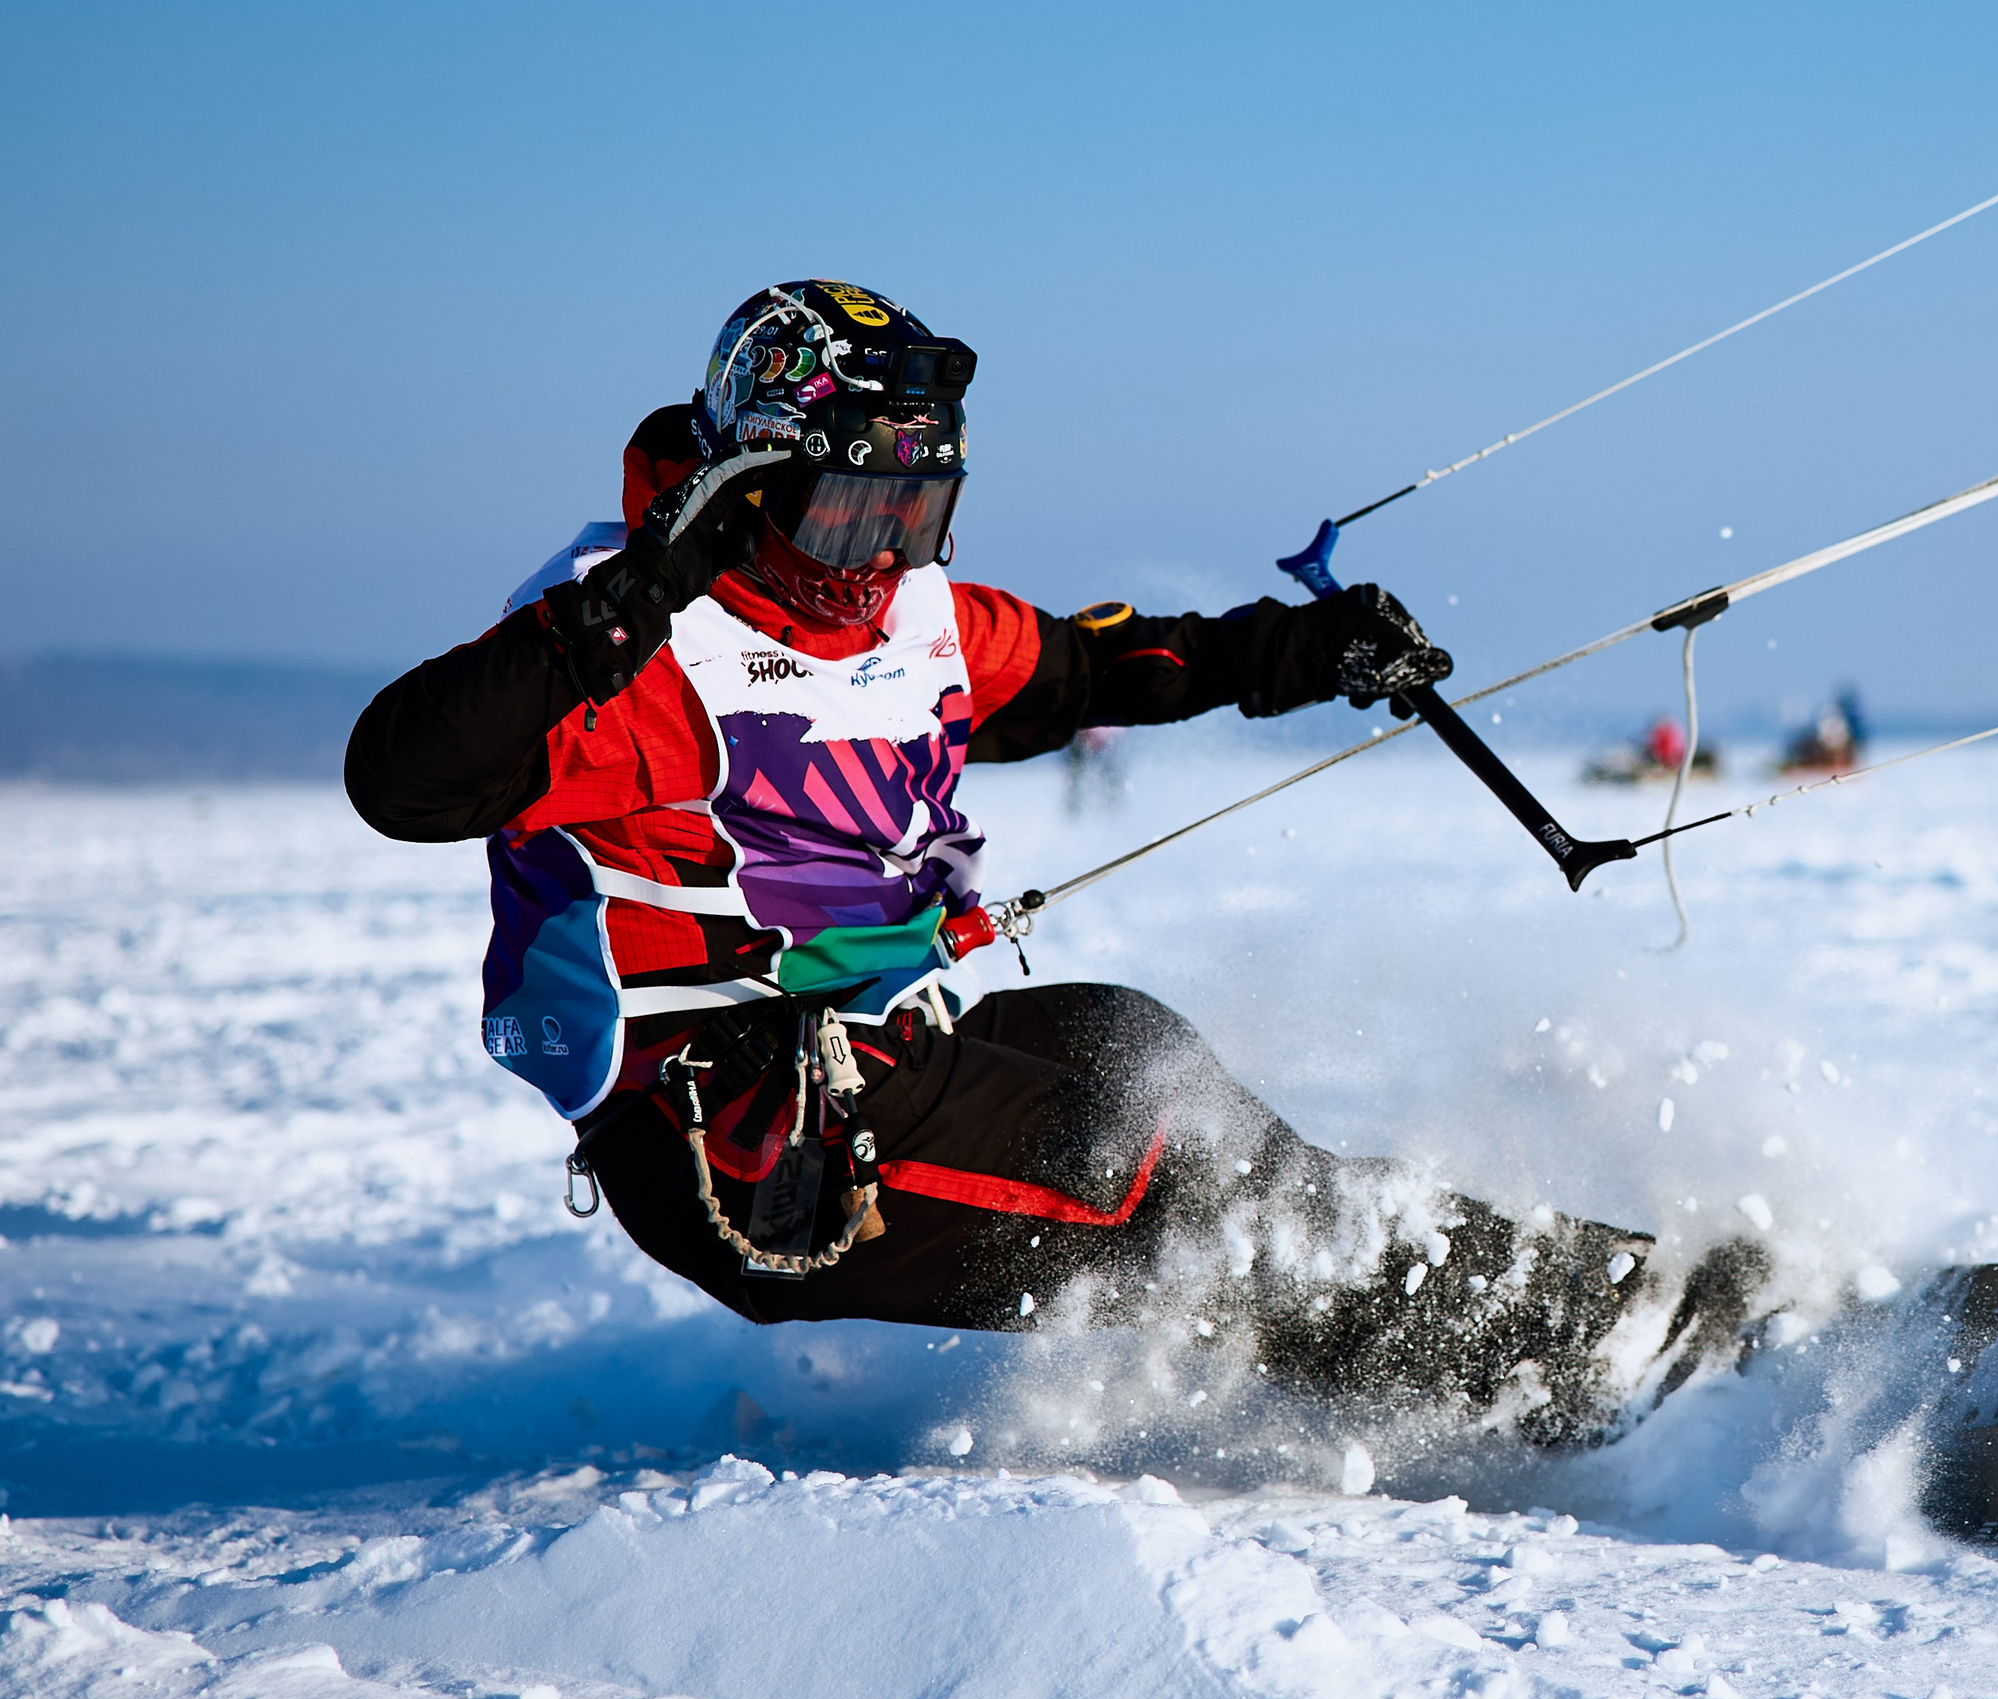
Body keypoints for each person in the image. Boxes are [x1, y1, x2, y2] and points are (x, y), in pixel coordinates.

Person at [346, 281, 1760, 1446]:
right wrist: (638, 595)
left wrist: (1305, 648)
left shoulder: (923, 623)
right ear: (746, 488)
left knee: (1133, 1054)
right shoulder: (625, 647)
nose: (876, 556)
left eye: (914, 514)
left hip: (879, 1052)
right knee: (1161, 1183)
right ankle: (1606, 1349)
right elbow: (400, 780)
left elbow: (1092, 669)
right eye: (845, 514)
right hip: (739, 1133)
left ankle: (1534, 1332)